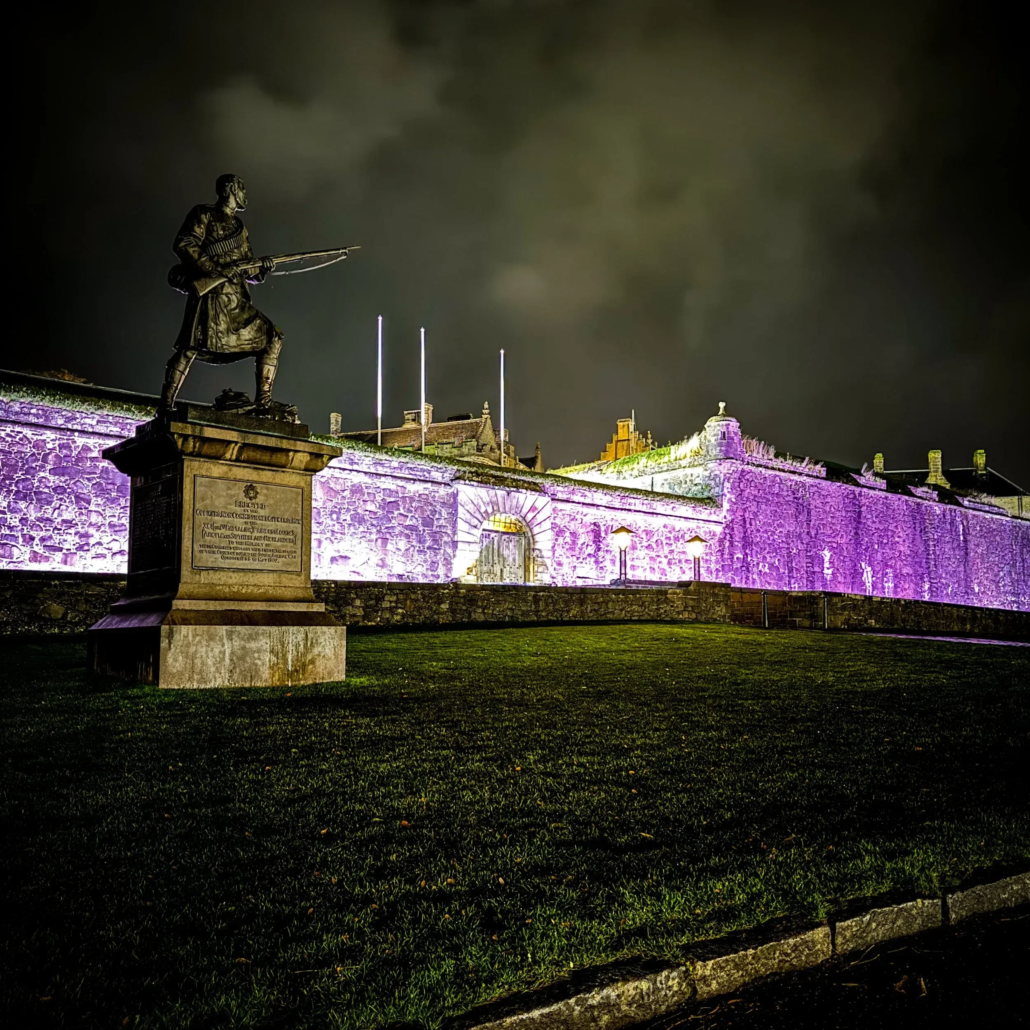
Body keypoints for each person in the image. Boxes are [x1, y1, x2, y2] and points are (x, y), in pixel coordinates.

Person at [159, 174, 281, 412]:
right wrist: (213, 269)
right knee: (190, 349)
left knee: (272, 337)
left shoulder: (239, 228)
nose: (245, 195)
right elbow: (184, 244)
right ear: (231, 190)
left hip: (236, 301)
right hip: (212, 296)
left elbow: (248, 268)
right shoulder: (203, 213)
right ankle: (165, 406)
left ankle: (263, 404)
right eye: (241, 189)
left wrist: (262, 268)